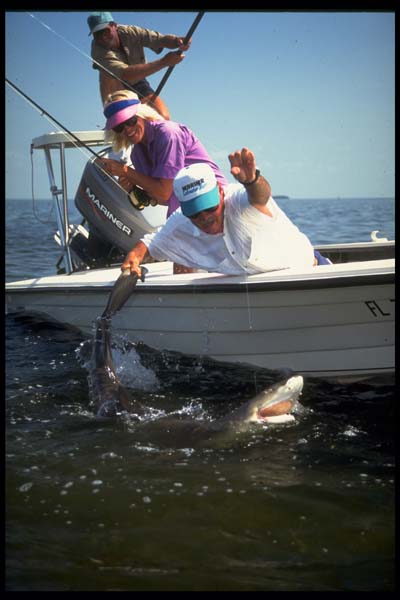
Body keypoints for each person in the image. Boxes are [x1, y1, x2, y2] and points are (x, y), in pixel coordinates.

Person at [120, 147, 331, 277]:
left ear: (220, 193)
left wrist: (252, 181)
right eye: (195, 213)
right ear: (184, 209)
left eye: (210, 207)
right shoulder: (180, 221)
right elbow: (151, 242)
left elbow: (260, 196)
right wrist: (135, 256)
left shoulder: (239, 198)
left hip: (313, 271)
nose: (204, 217)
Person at [99, 90, 228, 220]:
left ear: (142, 114)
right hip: (187, 212)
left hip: (214, 204)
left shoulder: (169, 134)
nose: (127, 129)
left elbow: (164, 192)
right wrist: (134, 188)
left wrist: (125, 171)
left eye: (131, 120)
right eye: (119, 127)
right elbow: (163, 198)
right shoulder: (136, 155)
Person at [87, 11, 191, 119]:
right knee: (124, 121)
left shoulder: (131, 31)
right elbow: (126, 75)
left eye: (105, 31)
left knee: (162, 117)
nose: (103, 37)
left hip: (138, 80)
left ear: (114, 25)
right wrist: (164, 62)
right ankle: (117, 120)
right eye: (97, 34)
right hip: (115, 87)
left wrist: (177, 41)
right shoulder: (98, 52)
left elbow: (161, 39)